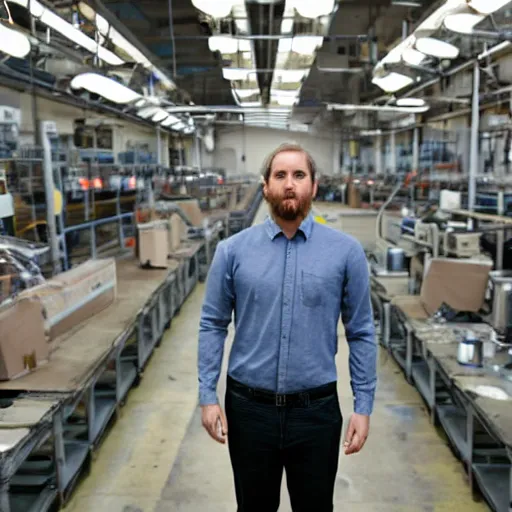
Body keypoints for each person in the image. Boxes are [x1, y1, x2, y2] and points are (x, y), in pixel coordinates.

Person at [197, 142, 377, 512]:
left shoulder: (345, 252)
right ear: (265, 186)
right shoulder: (232, 251)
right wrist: (207, 395)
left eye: (299, 175)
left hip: (316, 412)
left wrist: (364, 404)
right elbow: (212, 324)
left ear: (313, 185)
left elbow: (361, 331)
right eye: (280, 175)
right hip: (249, 412)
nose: (290, 184)